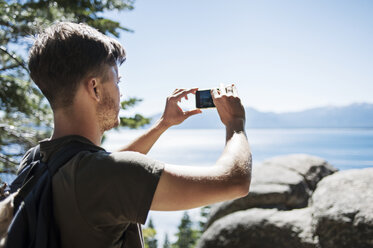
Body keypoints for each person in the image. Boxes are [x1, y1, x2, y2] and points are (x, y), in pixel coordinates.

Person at [25, 22, 251, 248]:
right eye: (117, 81)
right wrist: (235, 123)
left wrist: (163, 124)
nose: (120, 92)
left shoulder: (35, 161)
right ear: (95, 88)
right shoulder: (105, 177)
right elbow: (234, 181)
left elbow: (103, 170)